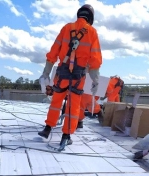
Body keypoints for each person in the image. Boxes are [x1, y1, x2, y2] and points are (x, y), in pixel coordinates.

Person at [38, 4, 102, 150]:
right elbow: (95, 59)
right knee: (73, 106)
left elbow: (54, 51)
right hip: (78, 76)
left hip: (62, 74)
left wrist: (46, 72)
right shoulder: (92, 32)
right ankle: (66, 136)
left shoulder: (67, 28)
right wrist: (95, 80)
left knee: (56, 101)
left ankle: (48, 128)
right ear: (90, 18)